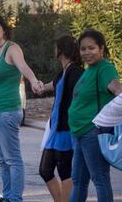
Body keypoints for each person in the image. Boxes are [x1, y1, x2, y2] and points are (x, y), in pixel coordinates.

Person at [0, 16, 42, 202]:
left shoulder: (11, 48)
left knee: (12, 159)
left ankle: (15, 198)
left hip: (7, 111)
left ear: (5, 30)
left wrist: (34, 81)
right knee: (1, 160)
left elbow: (23, 67)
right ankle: (7, 196)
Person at [68, 29, 122, 202]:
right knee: (78, 181)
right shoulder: (88, 70)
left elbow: (117, 88)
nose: (86, 52)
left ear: (101, 48)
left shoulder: (105, 68)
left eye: (91, 48)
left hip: (93, 132)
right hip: (79, 133)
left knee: (100, 179)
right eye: (83, 49)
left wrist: (120, 93)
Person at [38, 36, 84, 202]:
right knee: (45, 170)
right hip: (55, 129)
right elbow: (55, 83)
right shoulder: (64, 71)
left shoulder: (76, 72)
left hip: (66, 130)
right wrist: (41, 87)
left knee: (66, 173)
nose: (54, 50)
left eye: (56, 47)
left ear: (61, 50)